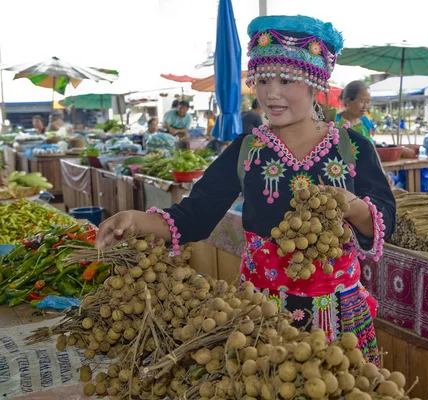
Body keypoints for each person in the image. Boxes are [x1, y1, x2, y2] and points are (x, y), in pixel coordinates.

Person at [96, 15, 395, 362]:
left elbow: (387, 220)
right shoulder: (247, 150)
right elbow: (194, 216)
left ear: (315, 82)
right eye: (263, 80)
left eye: (287, 79)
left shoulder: (352, 147)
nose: (272, 93)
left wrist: (354, 207)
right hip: (259, 317)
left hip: (337, 318)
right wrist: (134, 219)